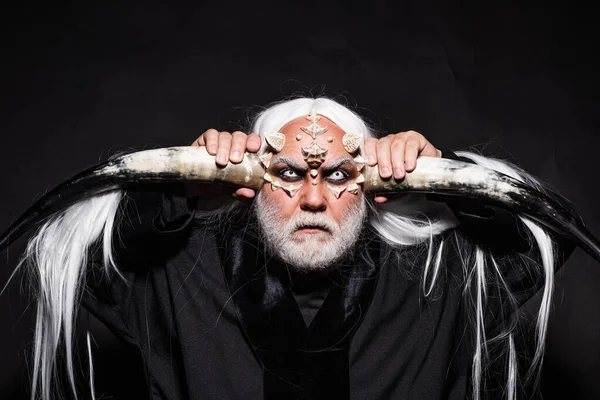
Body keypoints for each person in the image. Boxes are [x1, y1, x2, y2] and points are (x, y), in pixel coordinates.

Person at [15, 97, 578, 400]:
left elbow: (549, 238)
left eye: (337, 175)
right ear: (252, 183)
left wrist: (443, 174)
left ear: (373, 188)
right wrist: (175, 193)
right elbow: (68, 264)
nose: (312, 197)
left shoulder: (435, 276)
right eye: (287, 172)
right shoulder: (182, 272)